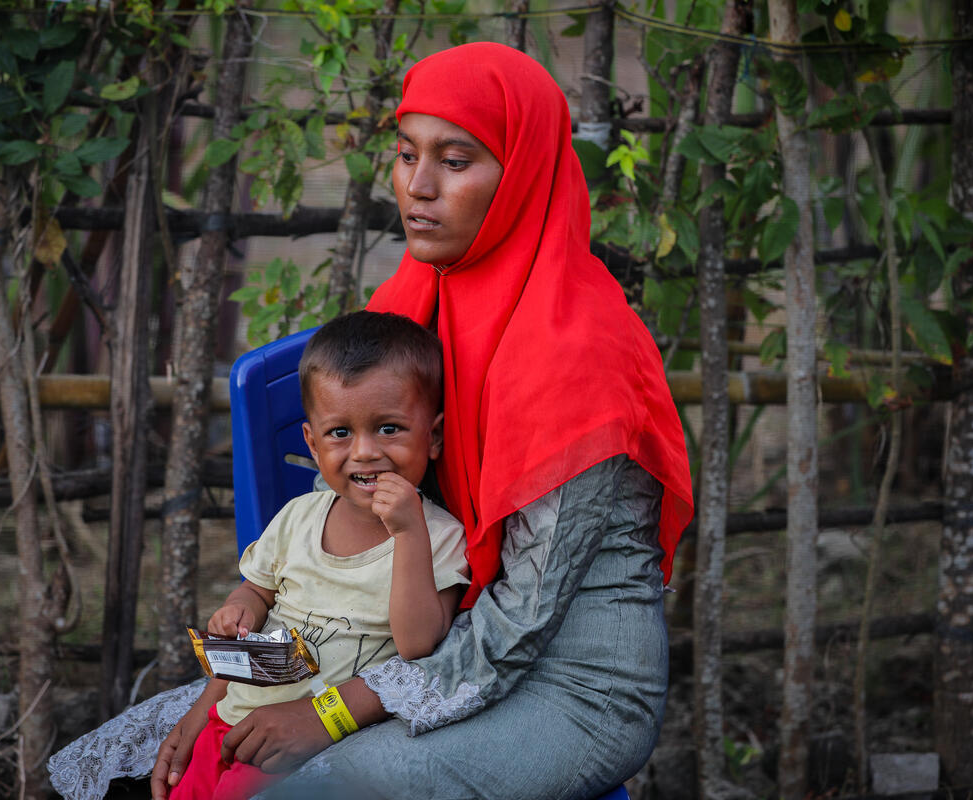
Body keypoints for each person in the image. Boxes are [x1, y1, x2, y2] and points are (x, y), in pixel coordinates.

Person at [150, 41, 694, 800]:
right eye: (407, 155)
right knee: (192, 763)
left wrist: (330, 713)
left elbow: (517, 629)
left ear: (523, 176)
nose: (420, 187)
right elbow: (317, 587)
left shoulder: (580, 354)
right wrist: (216, 698)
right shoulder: (418, 312)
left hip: (567, 687)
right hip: (395, 653)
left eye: (457, 160)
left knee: (316, 789)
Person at [167, 310, 469, 800]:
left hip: (311, 745)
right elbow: (258, 588)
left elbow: (418, 647)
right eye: (340, 433)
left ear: (432, 437)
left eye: (389, 429)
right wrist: (241, 608)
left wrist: (408, 532)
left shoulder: (438, 536)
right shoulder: (299, 517)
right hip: (232, 718)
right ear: (312, 442)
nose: (365, 452)